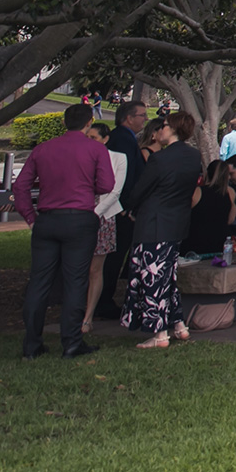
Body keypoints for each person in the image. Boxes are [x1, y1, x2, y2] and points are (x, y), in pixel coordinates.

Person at [15, 103, 114, 360]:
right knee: (76, 280)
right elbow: (106, 184)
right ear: (89, 123)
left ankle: (31, 343)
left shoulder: (43, 149)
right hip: (80, 218)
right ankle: (71, 341)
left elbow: (20, 186)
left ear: (63, 123)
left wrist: (30, 216)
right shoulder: (95, 148)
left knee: (39, 281)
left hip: (47, 218)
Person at [118, 110, 203, 350]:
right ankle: (178, 324)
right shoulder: (193, 156)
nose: (159, 130)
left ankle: (159, 333)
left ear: (173, 129)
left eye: (164, 126)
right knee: (168, 276)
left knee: (152, 277)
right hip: (176, 221)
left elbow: (140, 190)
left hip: (153, 223)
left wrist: (129, 205)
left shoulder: (160, 159)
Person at [92, 99, 148, 321]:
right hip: (119, 209)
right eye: (141, 115)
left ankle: (104, 298)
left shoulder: (126, 139)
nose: (145, 119)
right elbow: (121, 177)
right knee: (112, 257)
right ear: (128, 118)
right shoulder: (122, 140)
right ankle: (102, 301)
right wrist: (125, 206)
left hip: (122, 206)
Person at [79, 117, 129, 338]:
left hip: (103, 215)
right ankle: (77, 311)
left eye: (94, 138)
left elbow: (115, 191)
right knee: (78, 266)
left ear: (106, 139)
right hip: (80, 214)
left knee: (95, 268)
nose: (90, 141)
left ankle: (88, 316)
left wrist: (95, 213)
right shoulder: (80, 156)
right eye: (87, 137)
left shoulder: (117, 158)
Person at [185, 158, 236, 256]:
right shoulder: (230, 193)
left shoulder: (197, 192)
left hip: (195, 245)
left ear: (207, 173)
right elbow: (230, 220)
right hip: (220, 245)